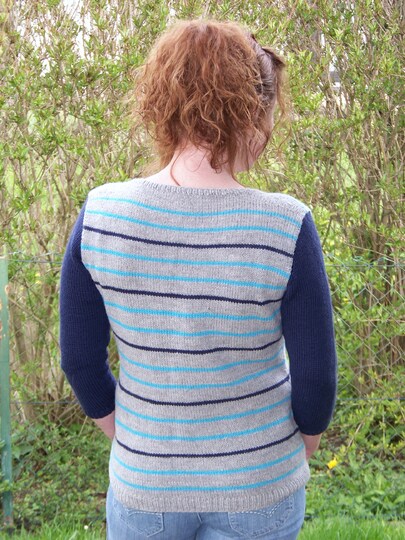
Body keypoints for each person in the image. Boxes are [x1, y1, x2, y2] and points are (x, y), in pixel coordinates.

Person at [59, 19, 337, 540]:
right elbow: (317, 378)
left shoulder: (101, 215)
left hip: (145, 487)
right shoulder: (286, 225)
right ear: (248, 112)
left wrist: (133, 442)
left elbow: (78, 360)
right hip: (260, 483)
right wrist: (305, 443)